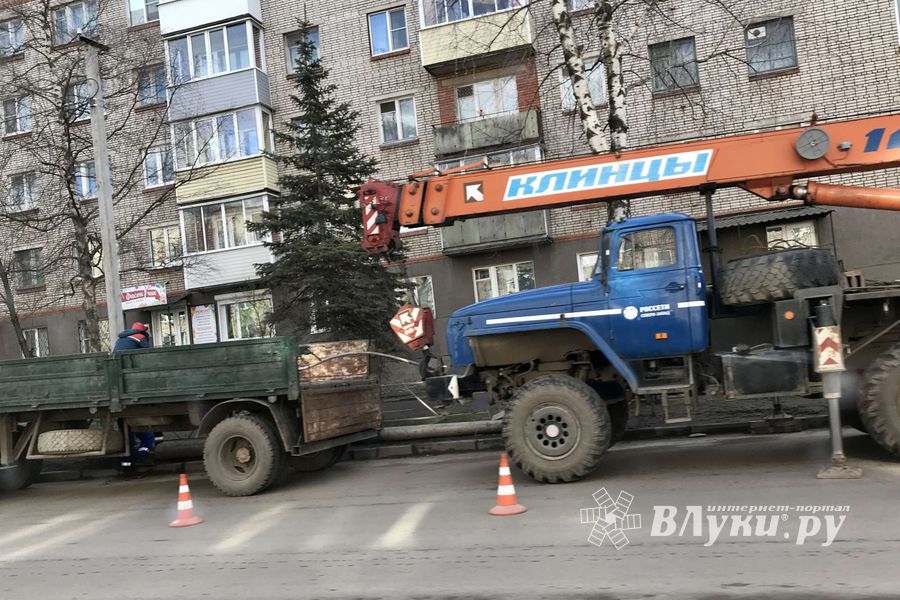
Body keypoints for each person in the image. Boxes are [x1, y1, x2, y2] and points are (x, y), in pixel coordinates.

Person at [112, 323, 156, 471]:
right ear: (143, 331)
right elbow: (151, 357)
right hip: (134, 386)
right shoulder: (139, 337)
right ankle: (144, 454)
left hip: (118, 386)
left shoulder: (121, 339)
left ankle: (127, 462)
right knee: (144, 430)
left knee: (126, 430)